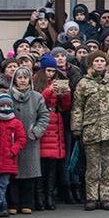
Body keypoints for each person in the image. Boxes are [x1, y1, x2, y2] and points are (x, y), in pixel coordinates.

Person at [71, 50, 109, 210]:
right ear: (91, 64)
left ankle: (106, 196)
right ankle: (91, 197)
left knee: (108, 167)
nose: (99, 64)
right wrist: (76, 127)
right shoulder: (84, 83)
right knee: (92, 167)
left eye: (102, 61)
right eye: (96, 61)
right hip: (92, 129)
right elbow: (77, 107)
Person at [9, 65, 50, 214]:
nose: (22, 81)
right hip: (12, 140)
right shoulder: (7, 95)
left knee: (29, 173)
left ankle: (27, 203)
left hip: (30, 139)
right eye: (19, 77)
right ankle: (13, 203)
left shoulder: (37, 97)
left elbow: (44, 116)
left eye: (25, 77)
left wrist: (36, 131)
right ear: (15, 79)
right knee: (12, 172)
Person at [35, 59, 71, 209]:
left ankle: (49, 196)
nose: (50, 74)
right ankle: (40, 196)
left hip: (56, 122)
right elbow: (37, 102)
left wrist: (66, 94)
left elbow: (65, 106)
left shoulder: (57, 82)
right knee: (42, 165)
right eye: (48, 70)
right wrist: (49, 90)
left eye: (53, 71)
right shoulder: (36, 83)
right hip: (44, 122)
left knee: (52, 166)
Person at [0, 93, 27, 217]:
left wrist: (13, 151)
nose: (5, 108)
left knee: (2, 183)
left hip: (8, 158)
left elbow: (21, 139)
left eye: (7, 105)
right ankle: (3, 205)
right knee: (0, 183)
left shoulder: (16, 123)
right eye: (2, 106)